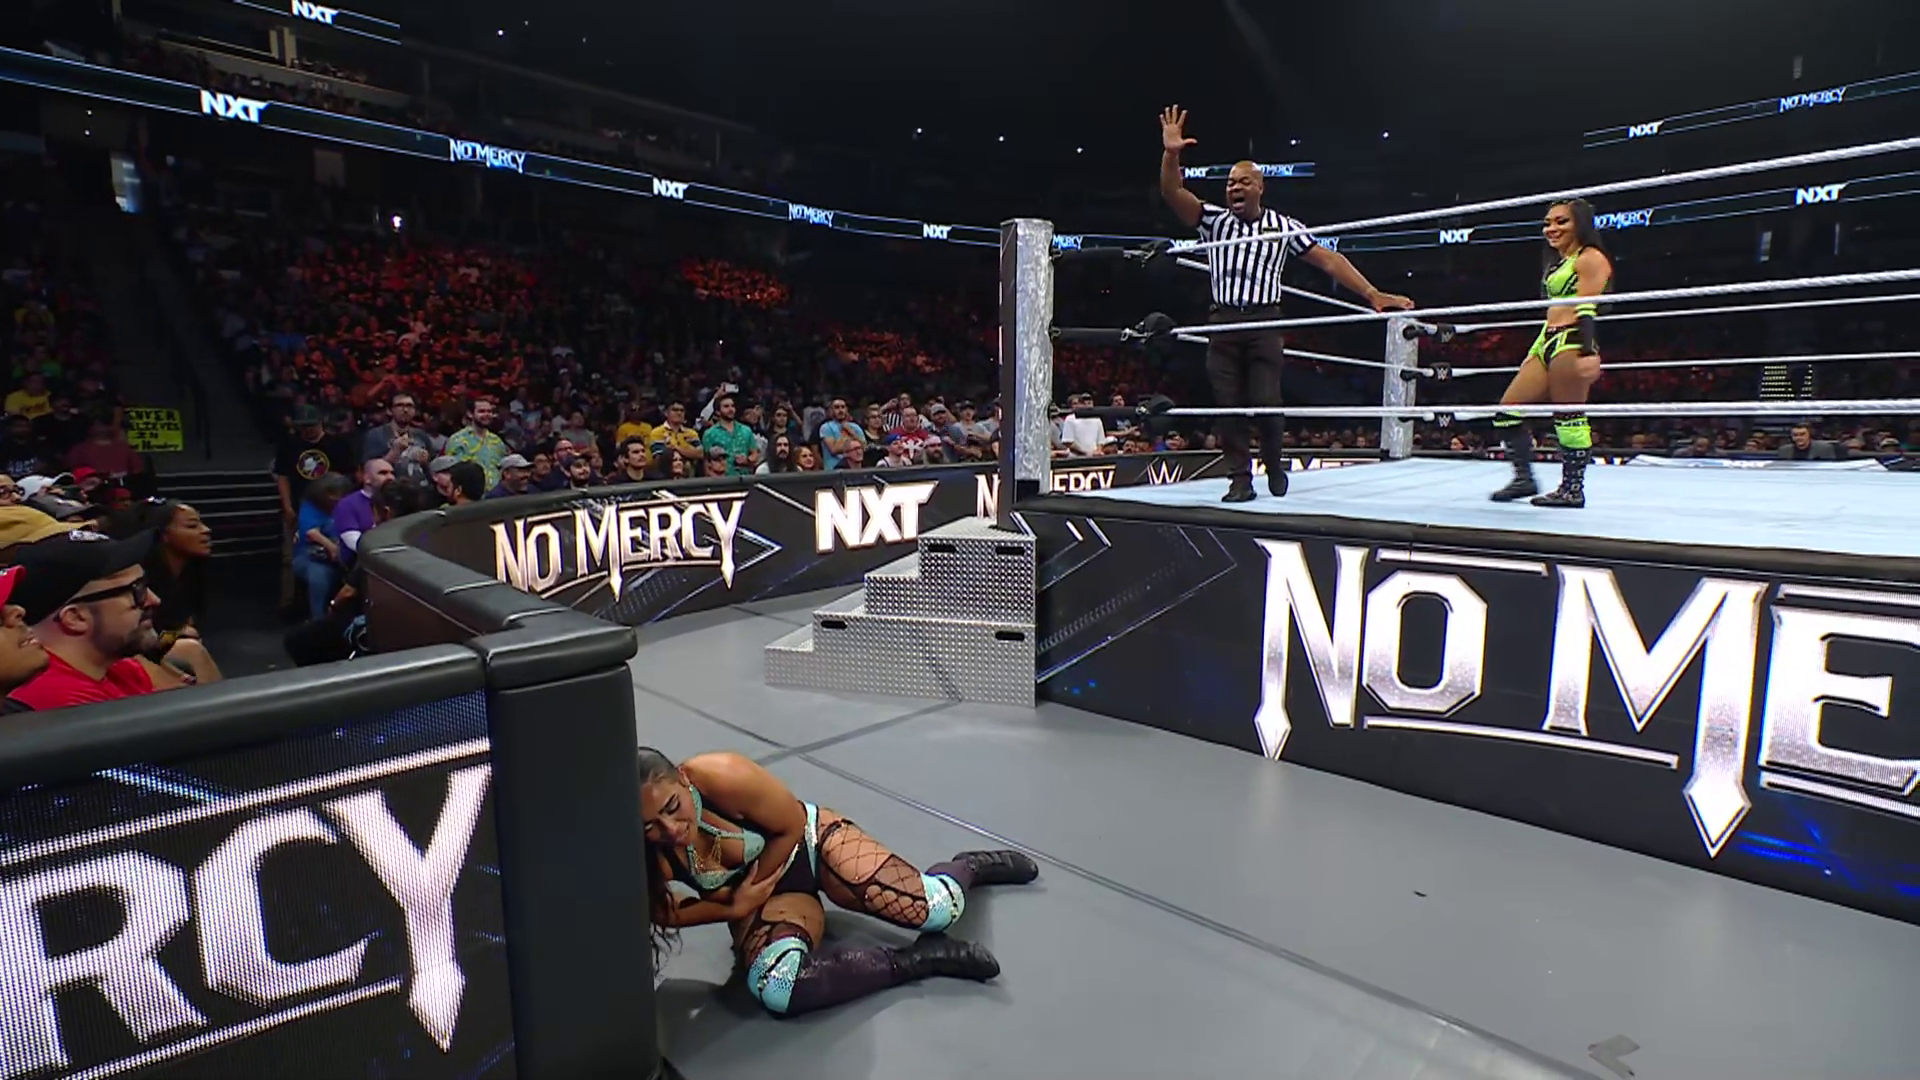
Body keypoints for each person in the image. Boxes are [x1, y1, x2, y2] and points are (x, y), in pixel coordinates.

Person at [636, 748, 1038, 1018]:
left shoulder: (722, 774)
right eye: (651, 825)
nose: (671, 829)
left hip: (810, 845)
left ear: (683, 779)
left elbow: (791, 823)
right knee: (777, 986)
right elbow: (662, 912)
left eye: (673, 807)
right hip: (764, 901)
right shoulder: (643, 850)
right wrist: (734, 907)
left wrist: (750, 886)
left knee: (938, 908)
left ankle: (968, 867)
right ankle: (918, 960)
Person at [1159, 106, 1414, 502]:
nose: (1234, 187)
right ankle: (1239, 480)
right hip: (1222, 323)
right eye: (1230, 182)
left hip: (1264, 322)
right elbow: (1173, 193)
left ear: (1260, 188)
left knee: (1267, 402)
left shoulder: (1283, 226)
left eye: (1244, 181)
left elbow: (1328, 260)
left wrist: (1372, 294)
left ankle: (1273, 462)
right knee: (1227, 406)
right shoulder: (1213, 220)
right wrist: (1171, 154)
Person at [1489, 198, 1614, 508]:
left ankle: (1572, 489)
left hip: (1572, 339)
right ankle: (1524, 478)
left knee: (1568, 415)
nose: (1551, 228)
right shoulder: (1558, 261)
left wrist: (1588, 351)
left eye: (1561, 221)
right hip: (1546, 338)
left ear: (1580, 224)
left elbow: (1587, 307)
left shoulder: (1590, 258)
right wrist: (1536, 348)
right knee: (1507, 412)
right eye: (1547, 222)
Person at [3, 530, 206, 711]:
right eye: (137, 590)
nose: (154, 600)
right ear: (75, 617)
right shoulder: (64, 707)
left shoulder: (114, 665)